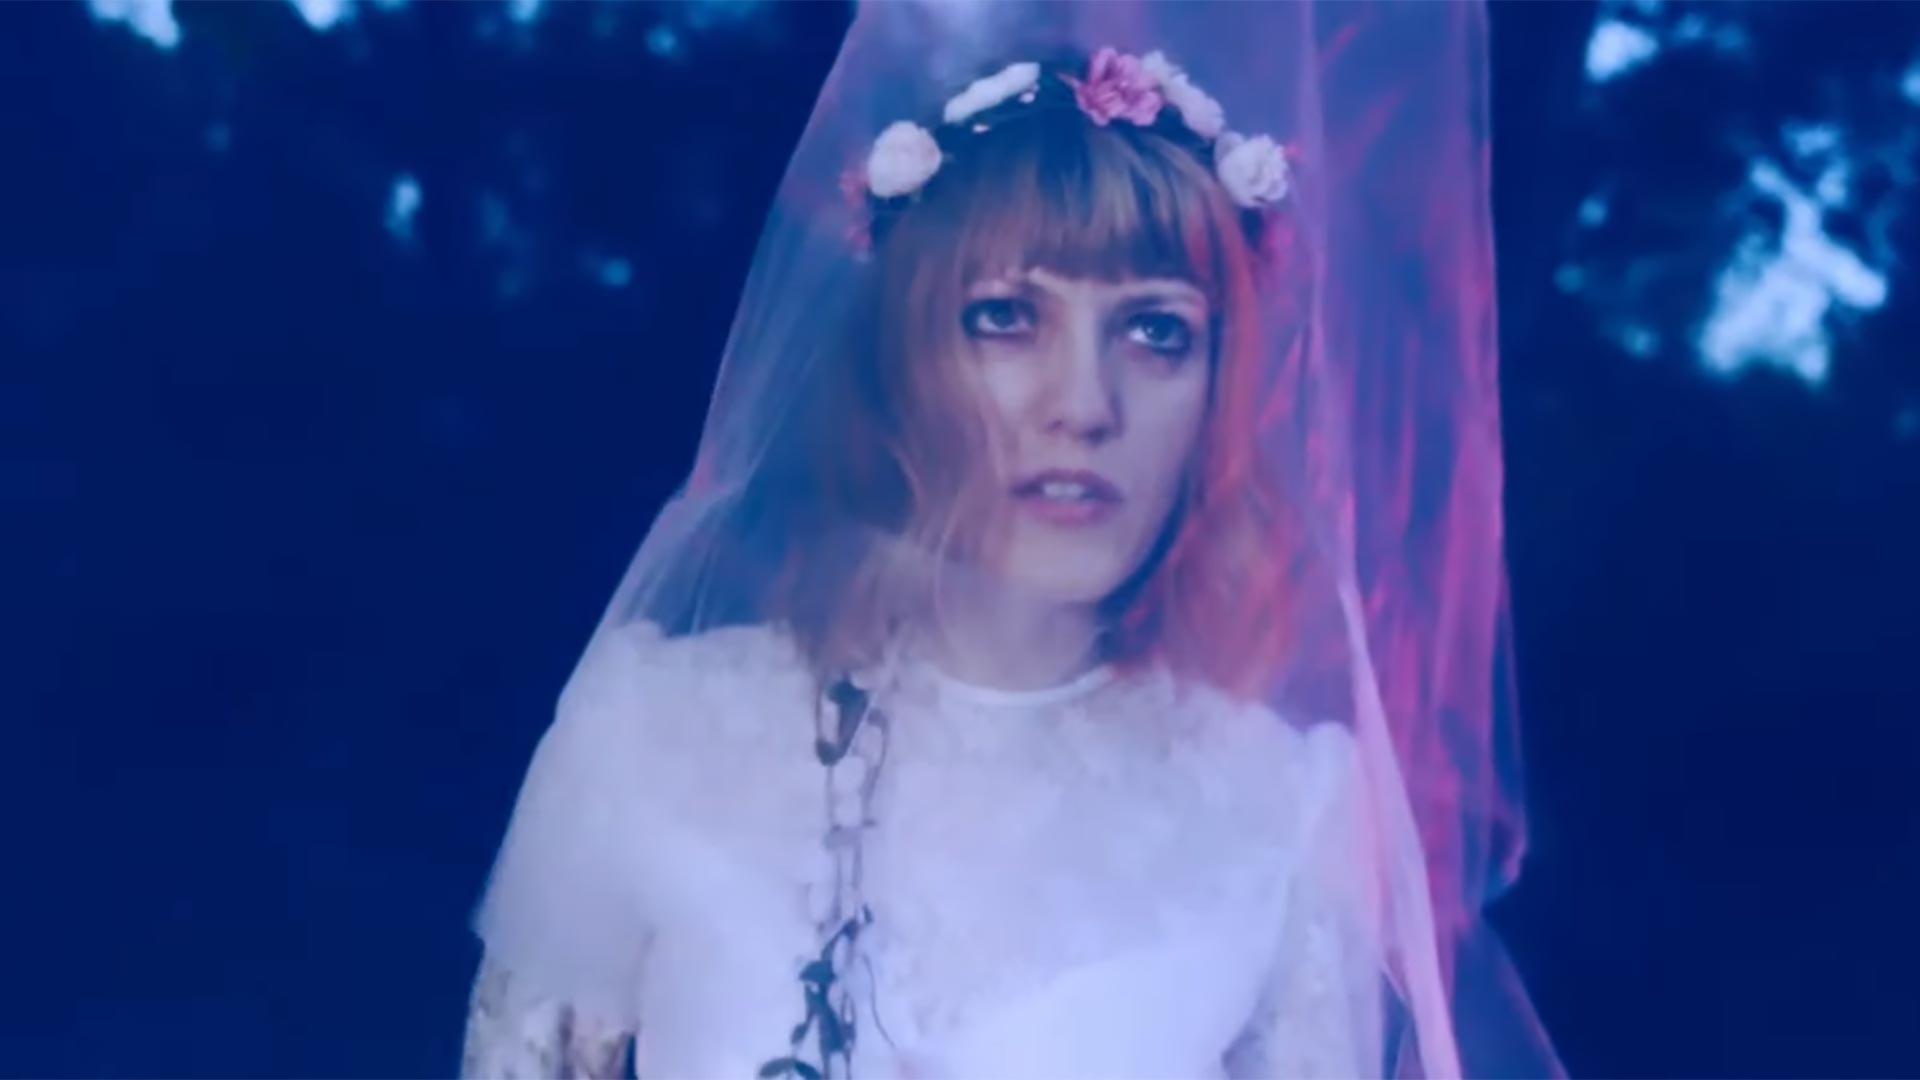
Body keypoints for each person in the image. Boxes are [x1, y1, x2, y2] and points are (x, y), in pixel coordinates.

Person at [461, 4, 1559, 1078]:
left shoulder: (1283, 815)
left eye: (1156, 331)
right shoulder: (653, 740)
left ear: (1218, 392)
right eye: (1005, 317)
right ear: (902, 364)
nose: (1083, 404)